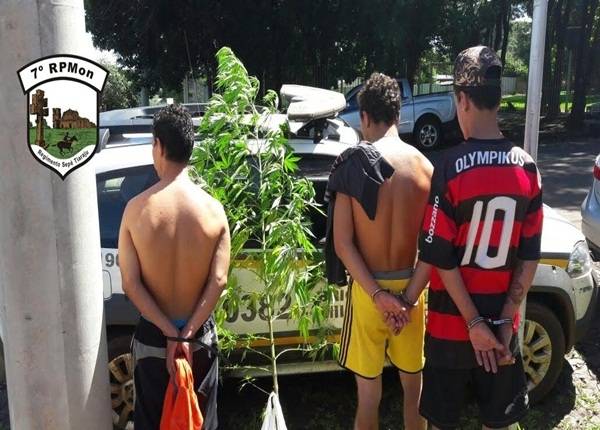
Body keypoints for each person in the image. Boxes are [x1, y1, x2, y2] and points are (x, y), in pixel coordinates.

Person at [401, 46, 543, 430]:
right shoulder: (528, 169)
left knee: (444, 423)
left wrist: (473, 323)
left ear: (461, 99)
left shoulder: (447, 168)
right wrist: (501, 322)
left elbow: (440, 256)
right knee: (496, 423)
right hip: (501, 330)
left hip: (451, 329)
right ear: (497, 99)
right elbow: (529, 256)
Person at [326, 72, 433, 430]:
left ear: (365, 117)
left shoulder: (352, 163)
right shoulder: (426, 168)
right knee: (413, 393)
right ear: (398, 115)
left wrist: (377, 295)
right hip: (413, 294)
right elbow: (434, 246)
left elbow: (342, 243)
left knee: (368, 397)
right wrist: (407, 299)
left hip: (368, 292)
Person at [118, 104, 230, 430]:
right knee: (200, 420)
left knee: (152, 422)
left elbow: (131, 283)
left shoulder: (136, 211)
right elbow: (219, 280)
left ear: (159, 146)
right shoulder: (213, 210)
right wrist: (186, 334)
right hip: (199, 339)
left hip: (154, 339)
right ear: (189, 147)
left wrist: (170, 335)